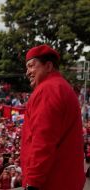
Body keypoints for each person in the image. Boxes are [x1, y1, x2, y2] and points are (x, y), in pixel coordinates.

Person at [21, 44, 85, 190]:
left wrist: (32, 183)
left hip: (52, 182)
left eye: (31, 66)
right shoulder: (61, 87)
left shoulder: (48, 90)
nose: (27, 72)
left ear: (48, 66)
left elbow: (43, 141)